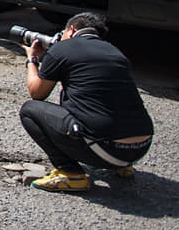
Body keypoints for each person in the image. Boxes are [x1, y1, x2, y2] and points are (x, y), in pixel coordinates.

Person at [20, 12, 153, 192]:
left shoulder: (62, 49)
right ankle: (121, 166)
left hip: (105, 149)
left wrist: (33, 59)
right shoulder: (115, 51)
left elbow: (37, 93)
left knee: (29, 109)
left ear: (72, 30)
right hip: (139, 149)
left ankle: (70, 173)